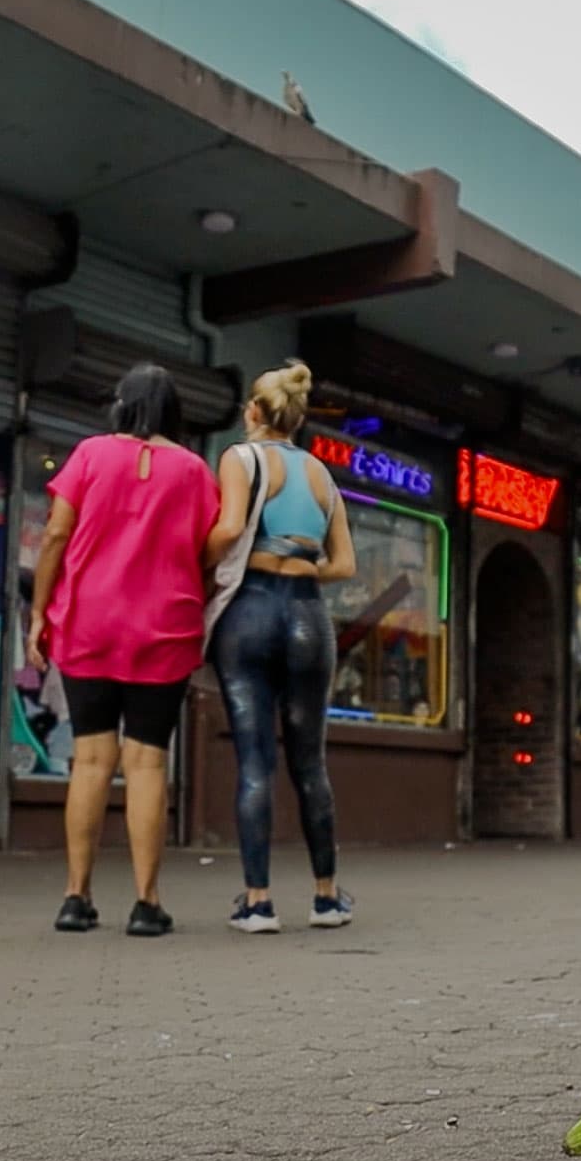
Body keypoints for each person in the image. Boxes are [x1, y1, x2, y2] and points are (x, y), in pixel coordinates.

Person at [25, 363, 219, 938]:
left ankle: (75, 897)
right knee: (147, 762)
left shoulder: (89, 454)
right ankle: (146, 902)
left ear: (121, 404)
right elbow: (210, 548)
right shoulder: (193, 470)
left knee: (90, 760)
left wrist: (38, 611)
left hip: (88, 622)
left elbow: (57, 533)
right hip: (164, 627)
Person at [204, 360, 357, 934]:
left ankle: (258, 901)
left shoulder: (240, 458)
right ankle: (326, 897)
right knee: (310, 761)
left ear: (253, 412)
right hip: (307, 615)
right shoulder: (322, 475)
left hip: (249, 612)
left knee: (254, 762)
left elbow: (226, 531)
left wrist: (197, 560)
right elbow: (344, 564)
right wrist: (300, 563)